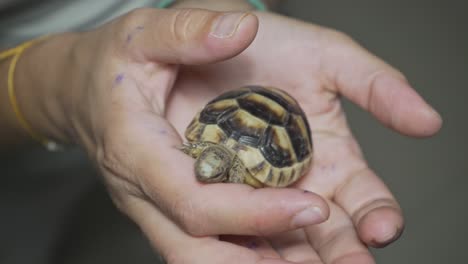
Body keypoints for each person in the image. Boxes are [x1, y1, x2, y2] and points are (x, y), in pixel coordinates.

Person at [0, 0, 442, 263]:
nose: (204, 170)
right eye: (207, 165)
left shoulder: (205, 136)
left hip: (164, 39)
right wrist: (60, 89)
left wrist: (223, 10)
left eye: (208, 166)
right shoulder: (202, 145)